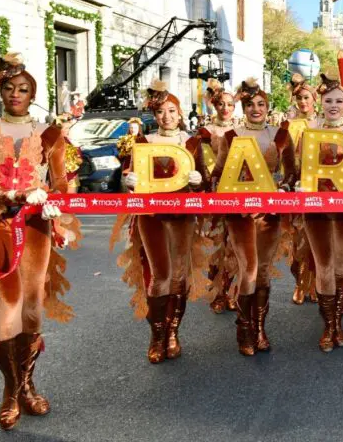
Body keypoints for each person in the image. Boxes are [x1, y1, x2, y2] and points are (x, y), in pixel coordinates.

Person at [0, 53, 77, 430]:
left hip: (36, 226)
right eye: (9, 87)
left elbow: (61, 185)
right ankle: (11, 391)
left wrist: (57, 209)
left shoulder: (51, 134)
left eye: (23, 89)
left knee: (33, 307)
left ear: (32, 93)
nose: (16, 93)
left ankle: (27, 384)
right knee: (9, 303)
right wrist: (1, 197)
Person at [115, 80, 207, 364]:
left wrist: (197, 182)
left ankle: (173, 333)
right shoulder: (143, 142)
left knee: (179, 275)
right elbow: (128, 178)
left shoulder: (191, 143)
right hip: (151, 215)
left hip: (181, 216)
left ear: (180, 113)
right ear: (154, 116)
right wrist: (127, 181)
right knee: (159, 275)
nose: (166, 117)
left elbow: (205, 182)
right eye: (160, 112)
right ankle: (156, 335)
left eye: (171, 111)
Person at [211, 78, 296, 356]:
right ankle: (243, 330)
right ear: (243, 108)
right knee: (248, 269)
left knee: (262, 272)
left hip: (269, 214)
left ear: (268, 107)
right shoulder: (231, 137)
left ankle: (259, 329)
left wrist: (282, 189)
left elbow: (291, 172)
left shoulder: (281, 135)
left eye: (261, 104)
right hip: (240, 213)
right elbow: (220, 173)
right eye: (250, 105)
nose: (256, 109)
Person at [295, 72, 343, 351]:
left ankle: (339, 322)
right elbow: (296, 172)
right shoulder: (308, 135)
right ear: (320, 104)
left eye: (339, 100)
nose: (334, 105)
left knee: (341, 269)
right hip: (315, 211)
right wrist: (298, 186)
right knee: (324, 267)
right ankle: (328, 327)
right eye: (329, 101)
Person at [199, 79, 238, 315]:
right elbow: (203, 164)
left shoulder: (241, 131)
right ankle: (217, 293)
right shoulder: (207, 132)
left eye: (230, 104)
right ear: (214, 106)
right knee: (217, 246)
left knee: (235, 246)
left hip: (236, 194)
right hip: (215, 193)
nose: (225, 108)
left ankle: (233, 291)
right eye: (221, 104)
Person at [285, 73, 320, 305]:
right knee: (297, 239)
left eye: (307, 98)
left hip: (319, 188)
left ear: (314, 99)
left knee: (316, 239)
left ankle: (316, 283)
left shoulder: (323, 123)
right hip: (295, 188)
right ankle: (299, 282)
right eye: (300, 99)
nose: (303, 103)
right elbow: (284, 158)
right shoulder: (288, 125)